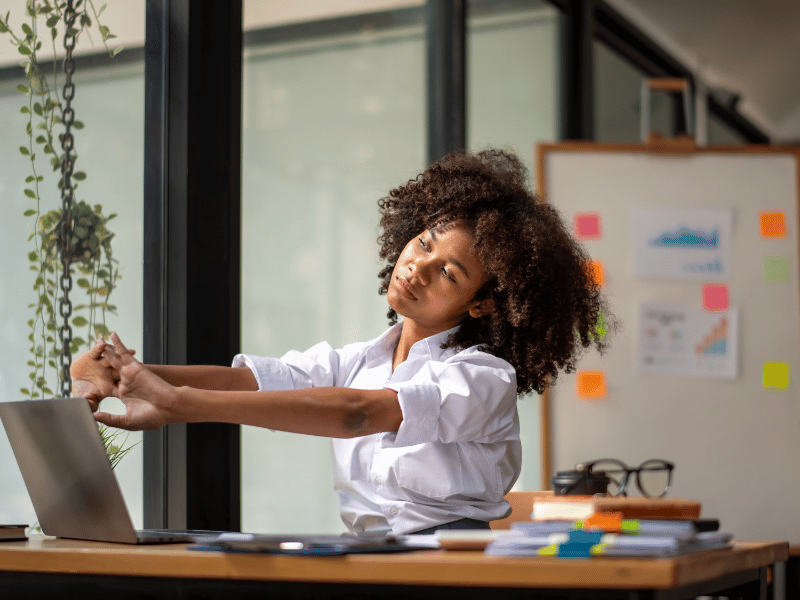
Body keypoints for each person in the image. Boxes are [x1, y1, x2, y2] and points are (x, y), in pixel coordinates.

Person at [71, 149, 612, 536]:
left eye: (447, 271)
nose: (416, 267)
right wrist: (119, 374)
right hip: (371, 562)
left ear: (483, 303)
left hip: (451, 568)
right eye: (422, 243)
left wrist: (183, 406)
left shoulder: (483, 378)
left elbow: (356, 414)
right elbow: (247, 381)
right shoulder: (361, 359)